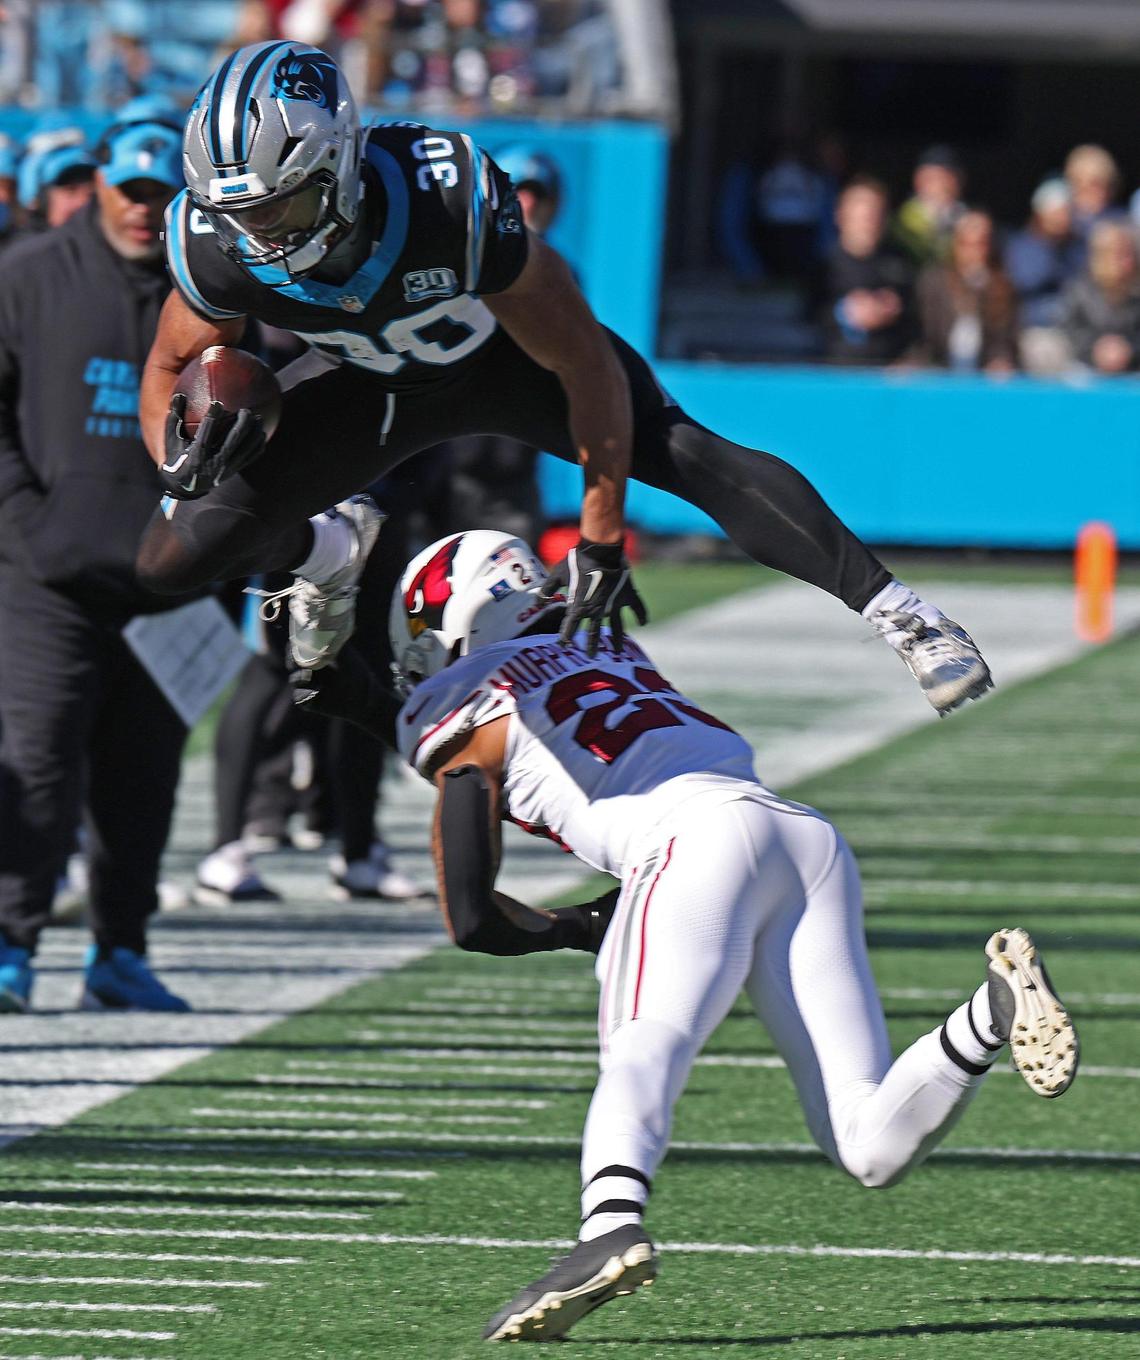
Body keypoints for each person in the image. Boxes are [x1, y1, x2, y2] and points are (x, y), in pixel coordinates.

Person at [295, 528, 1079, 1343]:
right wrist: (362, 706)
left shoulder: (467, 698)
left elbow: (470, 913)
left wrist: (578, 925)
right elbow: (526, 734)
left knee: (644, 1042)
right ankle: (990, 1012)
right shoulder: (607, 644)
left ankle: (609, 1224)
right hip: (798, 836)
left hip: (689, 846)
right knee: (867, 1144)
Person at [135, 41, 992, 719]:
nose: (254, 232)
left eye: (273, 207)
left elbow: (581, 356)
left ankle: (908, 619)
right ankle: (325, 548)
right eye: (234, 212)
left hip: (507, 364)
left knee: (691, 455)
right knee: (169, 557)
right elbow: (172, 361)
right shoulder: (216, 240)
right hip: (374, 385)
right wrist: (173, 456)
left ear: (337, 167)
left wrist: (600, 534)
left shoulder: (444, 198)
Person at [0, 120, 191, 1013]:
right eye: (130, 190)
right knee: (35, 765)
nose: (143, 210)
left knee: (143, 777)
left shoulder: (216, 286)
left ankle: (122, 949)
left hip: (171, 582)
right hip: (49, 578)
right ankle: (9, 945)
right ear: (103, 185)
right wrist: (26, 522)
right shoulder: (29, 275)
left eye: (161, 194)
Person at [910, 210, 1019, 374]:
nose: (976, 251)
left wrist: (1001, 360)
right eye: (967, 243)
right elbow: (923, 333)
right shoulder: (934, 282)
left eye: (982, 243)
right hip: (939, 365)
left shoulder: (1002, 284)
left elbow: (1005, 336)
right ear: (956, 244)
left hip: (984, 368)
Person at [821, 177, 914, 366]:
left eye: (875, 215)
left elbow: (918, 320)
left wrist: (891, 310)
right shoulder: (824, 265)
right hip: (834, 374)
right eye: (862, 217)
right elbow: (808, 315)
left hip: (889, 376)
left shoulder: (900, 262)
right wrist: (847, 312)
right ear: (841, 216)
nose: (869, 223)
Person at [1005, 177, 1083, 375]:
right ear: (1041, 214)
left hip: (1075, 329)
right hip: (1035, 330)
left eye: (1067, 212)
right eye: (1058, 212)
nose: (1063, 218)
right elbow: (1026, 281)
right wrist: (1051, 247)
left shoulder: (1079, 247)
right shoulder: (1022, 246)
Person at [1059, 218, 1140, 376]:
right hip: (1086, 366)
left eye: (1130, 254)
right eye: (1120, 254)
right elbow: (1069, 330)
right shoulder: (1079, 289)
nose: (1128, 261)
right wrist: (1096, 349)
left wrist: (1128, 349)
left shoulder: (1136, 291)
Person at [892, 144, 966, 267]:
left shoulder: (967, 218)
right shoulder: (902, 221)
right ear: (918, 180)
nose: (943, 185)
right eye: (933, 178)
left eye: (949, 178)